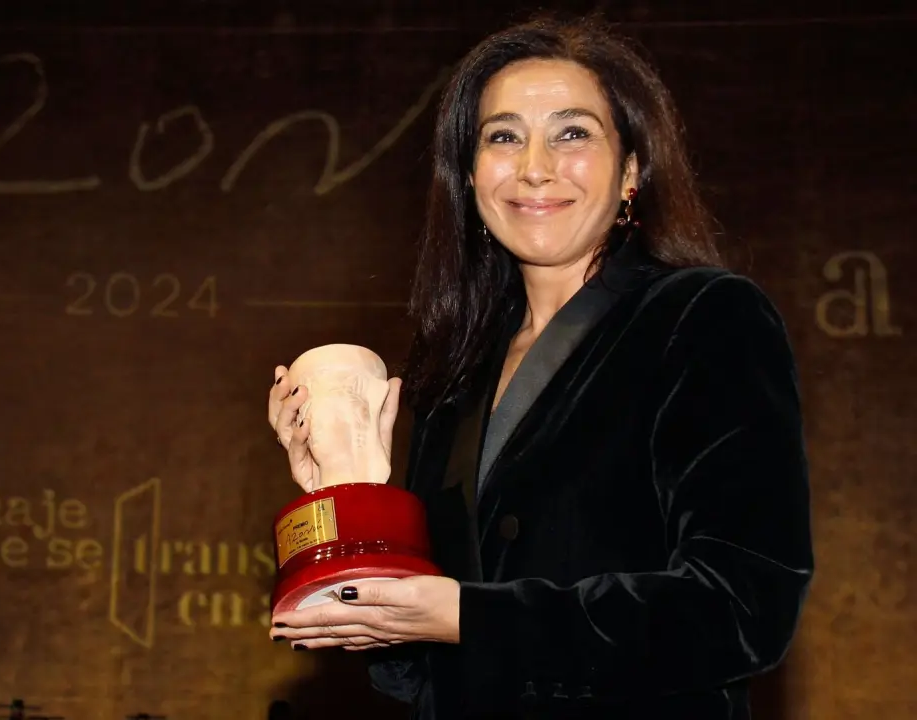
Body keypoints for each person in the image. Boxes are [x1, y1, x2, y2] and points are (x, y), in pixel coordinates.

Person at [264, 14, 814, 720]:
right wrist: (347, 495)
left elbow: (743, 607)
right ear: (468, 175)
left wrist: (470, 617)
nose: (534, 166)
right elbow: (421, 676)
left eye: (572, 133)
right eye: (503, 137)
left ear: (632, 169)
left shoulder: (704, 317)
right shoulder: (456, 367)